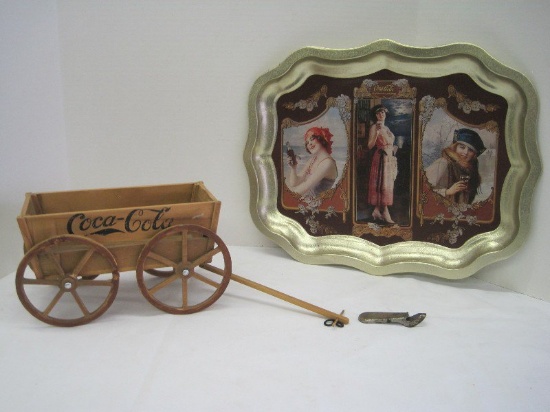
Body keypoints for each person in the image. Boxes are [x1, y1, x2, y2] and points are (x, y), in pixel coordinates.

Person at [425, 128, 485, 204]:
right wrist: (448, 192)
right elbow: (423, 189)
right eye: (462, 147)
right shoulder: (443, 163)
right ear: (455, 147)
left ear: (474, 154)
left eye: (470, 150)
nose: (465, 152)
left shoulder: (470, 169)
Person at [367, 105, 398, 224]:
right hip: (381, 157)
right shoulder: (374, 127)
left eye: (383, 112)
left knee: (387, 184)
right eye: (379, 113)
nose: (381, 114)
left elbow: (391, 143)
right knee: (382, 184)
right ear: (375, 115)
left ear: (385, 114)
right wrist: (377, 133)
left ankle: (376, 211)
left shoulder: (387, 128)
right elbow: (370, 146)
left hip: (389, 158)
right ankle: (385, 211)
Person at [286, 127, 338, 196]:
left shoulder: (327, 163)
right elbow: (294, 183)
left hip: (318, 204)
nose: (309, 144)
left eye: (312, 139)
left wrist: (288, 197)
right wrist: (293, 168)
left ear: (321, 138)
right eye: (307, 143)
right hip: (308, 199)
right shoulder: (312, 160)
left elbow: (305, 186)